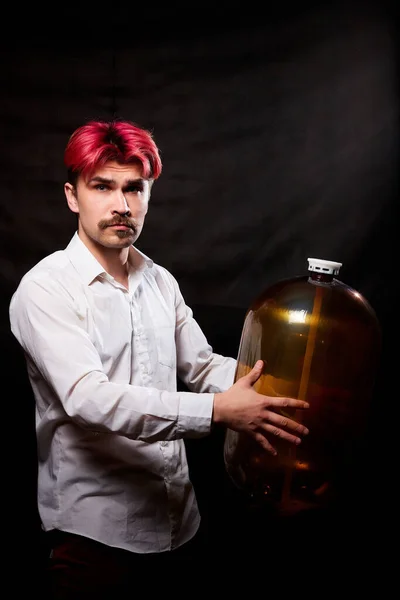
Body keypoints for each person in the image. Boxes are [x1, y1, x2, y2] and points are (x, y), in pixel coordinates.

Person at [9, 118, 309, 595]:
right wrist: (217, 412)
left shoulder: (159, 280)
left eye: (135, 188)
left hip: (179, 523)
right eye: (102, 187)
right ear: (72, 196)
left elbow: (202, 365)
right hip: (93, 538)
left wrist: (285, 390)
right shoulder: (44, 289)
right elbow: (90, 399)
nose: (121, 205)